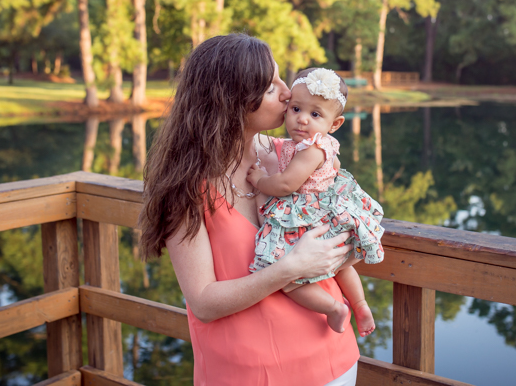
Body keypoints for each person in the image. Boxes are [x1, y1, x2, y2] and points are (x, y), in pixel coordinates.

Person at [139, 34, 360, 386]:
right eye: (271, 87)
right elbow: (204, 302)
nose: (287, 92)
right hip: (244, 374)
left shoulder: (294, 156)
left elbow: (344, 223)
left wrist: (341, 250)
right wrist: (291, 268)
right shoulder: (184, 186)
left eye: (279, 78)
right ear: (232, 102)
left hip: (332, 358)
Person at [246, 67, 384, 337]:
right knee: (339, 267)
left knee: (286, 278)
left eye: (315, 114)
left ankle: (334, 308)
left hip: (307, 217)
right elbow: (336, 167)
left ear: (335, 124)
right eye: (296, 109)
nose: (302, 120)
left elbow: (286, 185)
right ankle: (360, 304)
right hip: (327, 214)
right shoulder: (326, 144)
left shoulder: (309, 150)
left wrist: (260, 180)